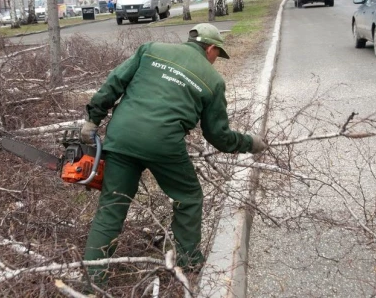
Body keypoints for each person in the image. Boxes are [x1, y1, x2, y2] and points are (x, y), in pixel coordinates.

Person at [80, 23, 268, 288]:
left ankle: (91, 285)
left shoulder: (151, 50)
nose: (216, 61)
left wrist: (92, 120)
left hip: (121, 136)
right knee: (189, 197)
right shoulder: (213, 81)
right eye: (218, 55)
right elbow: (218, 136)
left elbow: (115, 82)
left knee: (111, 209)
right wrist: (251, 143)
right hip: (163, 143)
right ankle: (190, 263)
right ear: (211, 48)